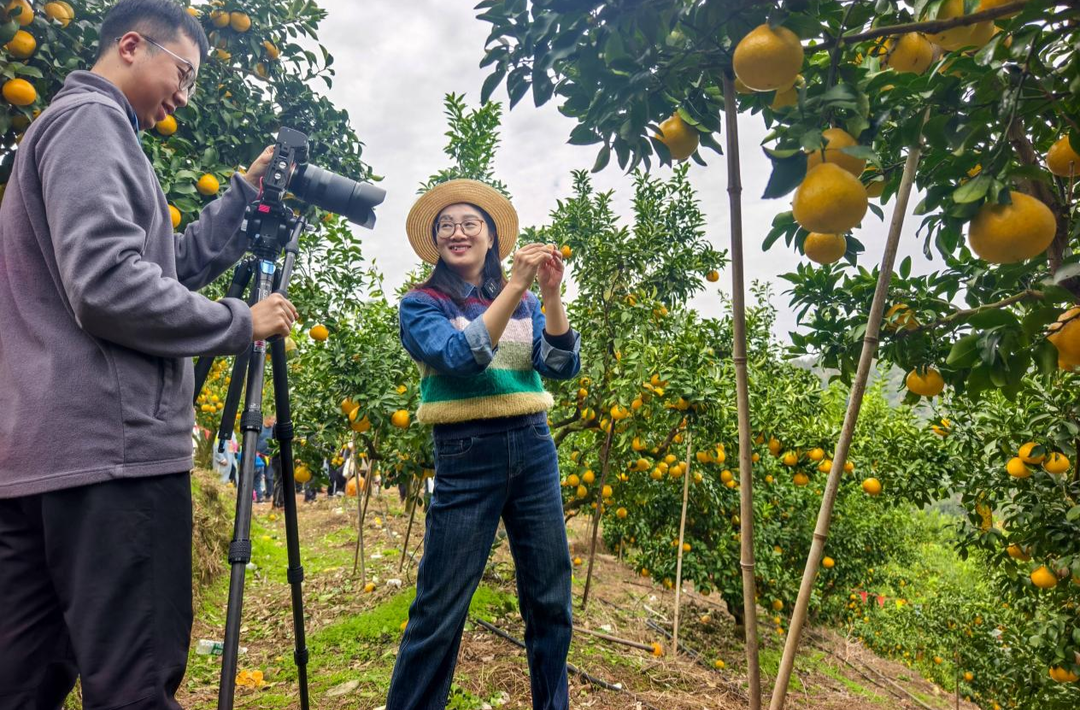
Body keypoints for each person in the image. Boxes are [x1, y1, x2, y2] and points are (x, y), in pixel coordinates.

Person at [0, 2, 299, 708]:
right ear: (132, 46)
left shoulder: (68, 129)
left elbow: (158, 269)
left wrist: (244, 196)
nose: (184, 96)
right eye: (184, 74)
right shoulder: (92, 122)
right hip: (113, 453)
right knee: (135, 685)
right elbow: (109, 285)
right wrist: (239, 321)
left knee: (19, 685)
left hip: (44, 457)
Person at [385, 179, 580, 710]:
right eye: (446, 225)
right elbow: (460, 356)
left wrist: (550, 295)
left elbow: (559, 365)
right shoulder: (420, 304)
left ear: (491, 237)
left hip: (533, 446)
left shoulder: (524, 302)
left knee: (550, 600)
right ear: (435, 241)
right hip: (466, 453)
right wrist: (515, 287)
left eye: (470, 223)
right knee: (440, 608)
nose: (458, 232)